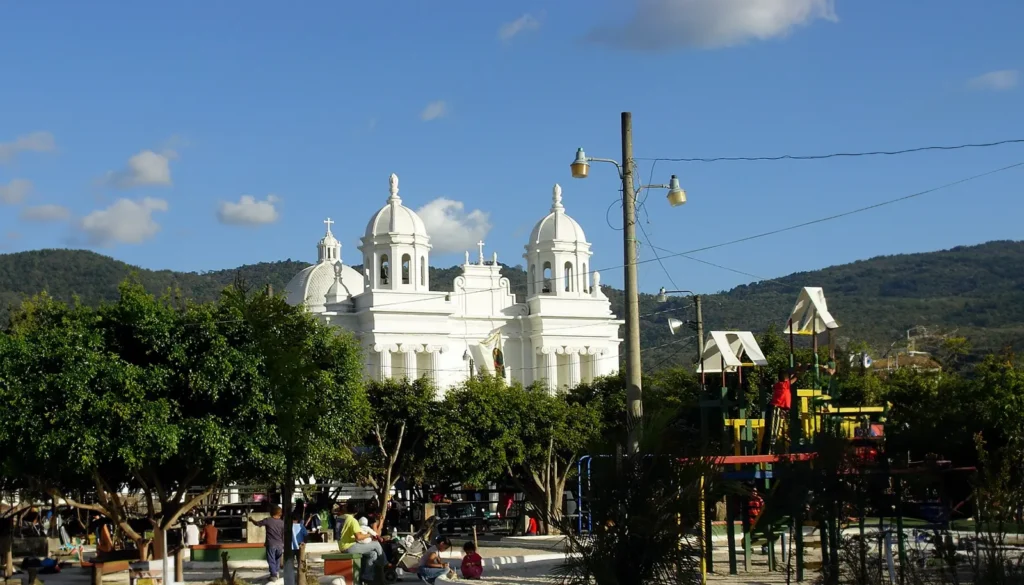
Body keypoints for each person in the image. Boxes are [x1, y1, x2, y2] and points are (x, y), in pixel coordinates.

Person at [337, 502, 384, 583]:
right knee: (376, 544)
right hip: (349, 547)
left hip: (342, 545)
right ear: (356, 512)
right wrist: (369, 535)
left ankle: (366, 576)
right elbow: (359, 537)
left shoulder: (340, 518)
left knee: (373, 554)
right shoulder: (352, 520)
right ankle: (384, 563)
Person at [248, 506, 285, 581]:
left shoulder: (268, 520)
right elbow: (283, 534)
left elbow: (257, 523)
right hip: (280, 544)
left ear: (271, 513)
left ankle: (273, 575)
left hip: (271, 544)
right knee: (277, 559)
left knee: (271, 559)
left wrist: (251, 519)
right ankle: (276, 572)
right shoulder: (282, 523)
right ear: (280, 514)